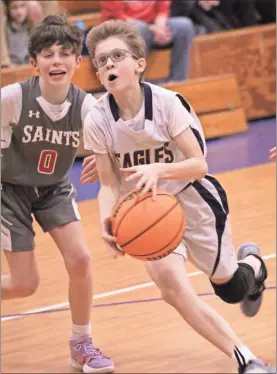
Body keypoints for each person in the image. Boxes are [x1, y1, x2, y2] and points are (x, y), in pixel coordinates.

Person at [83, 19, 275, 374]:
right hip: (146, 210)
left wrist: (158, 169)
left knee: (232, 289)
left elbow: (199, 164)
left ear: (139, 64)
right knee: (171, 288)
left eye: (117, 56)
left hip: (193, 199)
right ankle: (245, 359)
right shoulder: (97, 117)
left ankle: (254, 265)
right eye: (101, 60)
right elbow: (108, 184)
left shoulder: (168, 103)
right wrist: (106, 222)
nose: (108, 64)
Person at [1, 14, 114, 374]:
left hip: (53, 189)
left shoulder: (87, 107)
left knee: (80, 260)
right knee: (24, 284)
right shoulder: (12, 99)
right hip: (9, 191)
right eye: (48, 54)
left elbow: (113, 145)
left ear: (77, 62)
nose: (57, 61)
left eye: (66, 53)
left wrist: (104, 158)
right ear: (33, 63)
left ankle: (81, 345)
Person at [101, 0, 194, 83]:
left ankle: (178, 80)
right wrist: (151, 28)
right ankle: (135, 84)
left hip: (151, 26)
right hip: (120, 30)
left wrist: (160, 27)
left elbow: (162, 9)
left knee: (184, 26)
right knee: (138, 28)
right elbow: (118, 16)